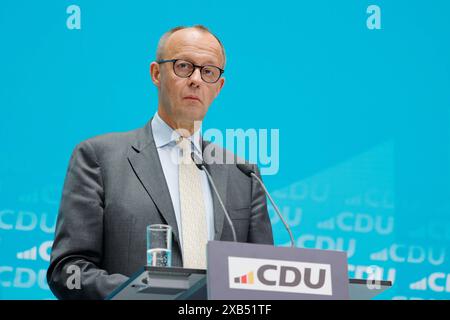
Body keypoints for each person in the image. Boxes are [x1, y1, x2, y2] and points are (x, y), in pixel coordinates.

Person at [47, 25, 273, 300]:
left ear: (219, 86)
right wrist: (146, 295)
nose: (196, 80)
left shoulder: (243, 175)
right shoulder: (99, 158)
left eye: (208, 72)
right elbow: (68, 271)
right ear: (156, 73)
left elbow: (263, 280)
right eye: (183, 66)